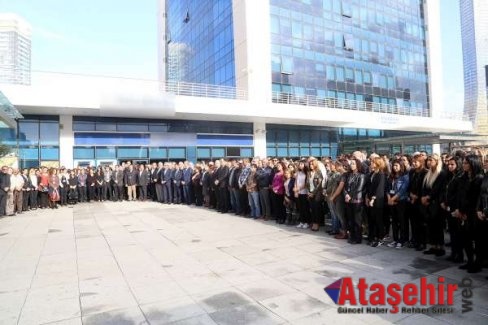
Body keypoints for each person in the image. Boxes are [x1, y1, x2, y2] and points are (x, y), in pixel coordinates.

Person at [420, 154, 447, 256]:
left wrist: (428, 197)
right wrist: (423, 197)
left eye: (431, 160)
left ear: (436, 161)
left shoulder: (441, 173)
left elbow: (438, 188)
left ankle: (440, 247)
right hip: (428, 204)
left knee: (438, 226)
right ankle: (433, 246)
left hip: (436, 204)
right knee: (430, 226)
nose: (428, 162)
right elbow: (424, 187)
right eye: (428, 160)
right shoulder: (428, 173)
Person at [386, 160, 410, 249]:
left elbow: (402, 190)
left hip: (401, 201)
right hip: (391, 201)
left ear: (401, 166)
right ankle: (395, 239)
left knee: (402, 221)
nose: (394, 167)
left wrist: (393, 198)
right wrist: (389, 198)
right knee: (394, 221)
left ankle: (402, 240)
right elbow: (387, 188)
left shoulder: (405, 176)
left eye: (396, 165)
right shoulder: (391, 176)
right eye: (393, 166)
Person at [343, 159, 365, 243]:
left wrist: (350, 196)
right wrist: (346, 195)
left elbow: (359, 188)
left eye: (353, 163)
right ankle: (352, 236)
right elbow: (345, 187)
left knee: (357, 220)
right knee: (350, 220)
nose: (351, 165)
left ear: (357, 165)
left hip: (357, 200)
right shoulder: (349, 175)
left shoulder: (361, 175)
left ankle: (358, 238)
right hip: (349, 200)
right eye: (351, 163)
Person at [366, 157, 386, 247]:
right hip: (370, 200)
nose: (371, 163)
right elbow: (369, 187)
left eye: (373, 162)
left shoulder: (381, 174)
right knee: (371, 220)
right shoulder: (372, 173)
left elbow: (379, 189)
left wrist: (373, 199)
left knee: (378, 220)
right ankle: (372, 237)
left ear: (378, 163)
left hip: (378, 201)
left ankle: (380, 238)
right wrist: (367, 197)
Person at [308, 159, 324, 231]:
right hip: (310, 192)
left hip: (317, 194)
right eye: (310, 164)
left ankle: (317, 224)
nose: (311, 165)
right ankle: (313, 222)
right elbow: (307, 183)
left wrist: (313, 193)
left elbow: (319, 185)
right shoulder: (308, 172)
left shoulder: (319, 172)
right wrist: (309, 192)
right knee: (312, 209)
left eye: (312, 164)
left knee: (316, 209)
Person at [294, 161, 310, 229]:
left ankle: (306, 222)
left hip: (304, 192)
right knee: (300, 208)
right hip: (298, 192)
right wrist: (295, 190)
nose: (300, 165)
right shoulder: (298, 173)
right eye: (299, 164)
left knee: (305, 208)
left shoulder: (307, 173)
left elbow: (306, 184)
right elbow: (296, 181)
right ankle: (301, 221)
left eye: (301, 164)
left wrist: (299, 188)